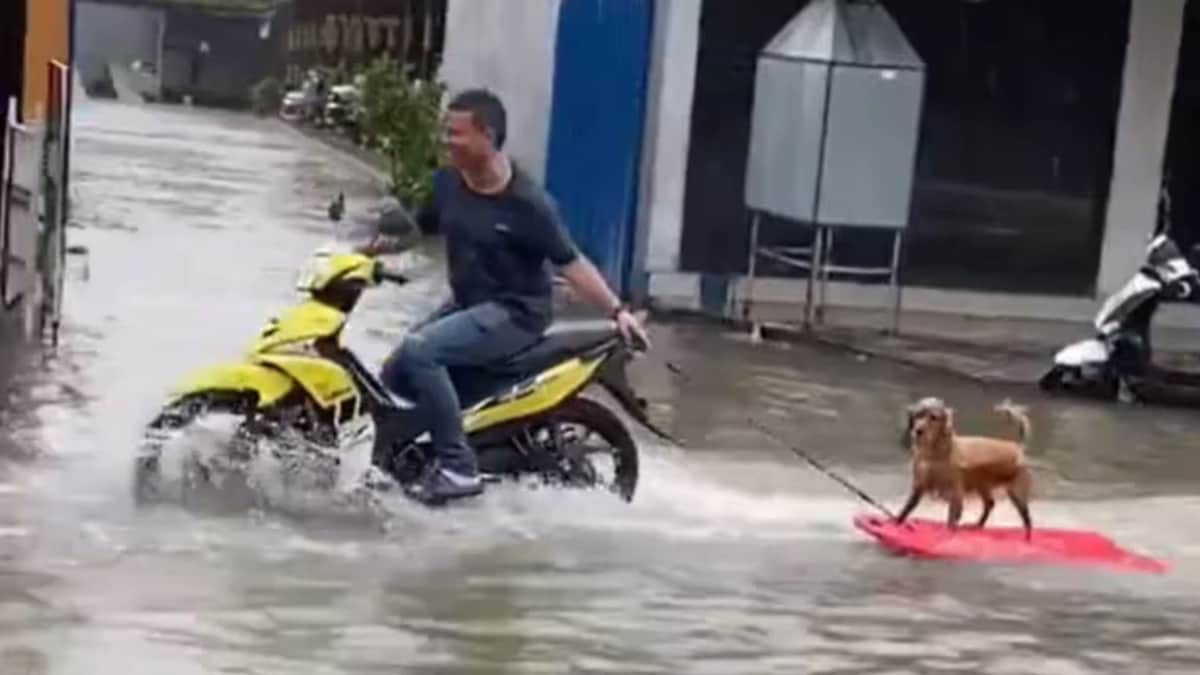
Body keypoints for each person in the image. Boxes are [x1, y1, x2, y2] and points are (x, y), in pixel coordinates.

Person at [359, 88, 650, 505]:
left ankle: (457, 467)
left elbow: (571, 262)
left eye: (456, 134)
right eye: (446, 131)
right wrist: (361, 251)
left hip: (517, 313)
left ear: (488, 137)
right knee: (395, 372)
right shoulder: (447, 184)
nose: (446, 141)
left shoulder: (529, 204)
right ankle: (396, 464)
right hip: (468, 304)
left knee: (423, 351)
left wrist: (617, 310)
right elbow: (413, 230)